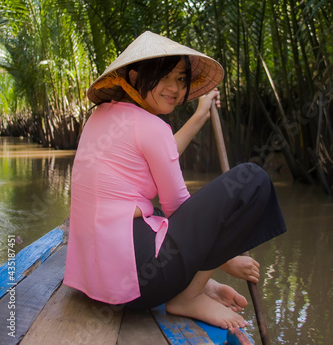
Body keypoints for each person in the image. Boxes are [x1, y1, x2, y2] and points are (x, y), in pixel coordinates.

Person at [64, 31, 286, 329]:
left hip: (95, 279)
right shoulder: (151, 127)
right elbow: (178, 207)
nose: (175, 88)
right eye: (164, 77)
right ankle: (189, 296)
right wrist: (226, 259)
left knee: (151, 214)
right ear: (134, 76)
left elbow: (159, 155)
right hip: (141, 284)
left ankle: (201, 286)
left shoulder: (101, 117)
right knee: (252, 179)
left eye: (181, 79)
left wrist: (199, 115)